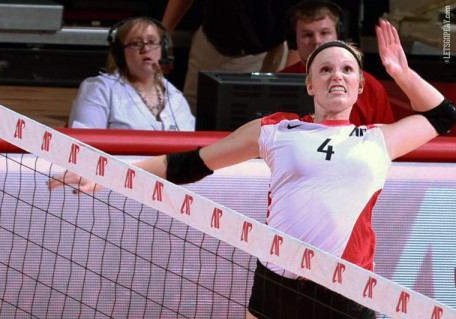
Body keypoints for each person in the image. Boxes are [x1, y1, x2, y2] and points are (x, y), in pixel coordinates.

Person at [49, 20, 456, 318]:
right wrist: (109, 173)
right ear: (310, 84)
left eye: (347, 70)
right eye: (325, 69)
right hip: (278, 282)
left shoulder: (379, 138)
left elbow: (441, 115)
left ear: (360, 86)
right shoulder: (276, 130)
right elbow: (191, 163)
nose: (337, 75)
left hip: (346, 286)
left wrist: (400, 71)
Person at [161, 0, 300, 114]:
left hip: (260, 56)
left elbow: (301, 18)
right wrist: (165, 31)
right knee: (189, 114)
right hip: (208, 44)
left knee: (241, 126)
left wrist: (286, 81)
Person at [68, 17, 195, 131]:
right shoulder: (100, 89)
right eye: (135, 43)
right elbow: (84, 147)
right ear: (120, 53)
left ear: (163, 49)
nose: (145, 49)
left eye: (152, 42)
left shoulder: (176, 97)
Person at [280, 0, 395, 126]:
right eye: (307, 35)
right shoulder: (278, 83)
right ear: (293, 40)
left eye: (324, 33)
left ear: (339, 35)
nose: (317, 41)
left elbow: (387, 141)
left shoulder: (370, 86)